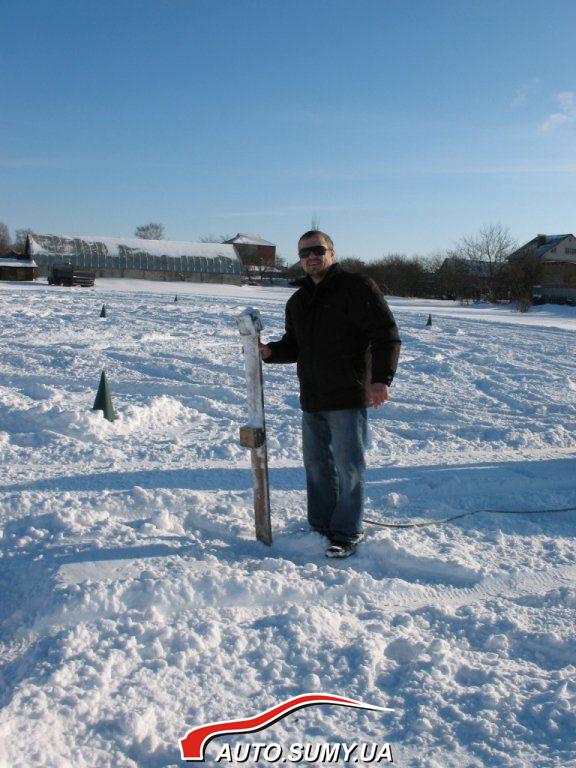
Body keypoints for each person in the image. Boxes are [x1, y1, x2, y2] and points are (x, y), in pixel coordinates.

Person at [259, 230, 401, 558]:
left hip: (348, 396)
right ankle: (320, 526)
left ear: (331, 253)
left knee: (349, 467)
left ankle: (347, 532)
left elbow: (386, 335)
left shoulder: (356, 288)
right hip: (313, 397)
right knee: (317, 466)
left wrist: (380, 380)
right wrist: (269, 352)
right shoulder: (298, 301)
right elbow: (295, 345)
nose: (311, 256)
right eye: (304, 252)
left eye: (317, 250)